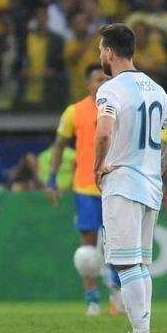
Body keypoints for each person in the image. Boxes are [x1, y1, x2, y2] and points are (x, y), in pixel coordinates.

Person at [93, 22, 167, 333]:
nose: (100, 56)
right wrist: (158, 166)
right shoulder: (154, 87)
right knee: (139, 262)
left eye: (100, 50)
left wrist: (97, 166)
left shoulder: (110, 90)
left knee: (125, 262)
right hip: (150, 186)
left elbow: (104, 132)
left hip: (123, 183)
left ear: (109, 52)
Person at [46, 63, 124, 316]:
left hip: (115, 186)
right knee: (87, 249)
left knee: (116, 246)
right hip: (86, 189)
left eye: (106, 79)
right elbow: (59, 145)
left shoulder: (120, 108)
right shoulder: (74, 111)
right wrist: (52, 178)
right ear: (88, 84)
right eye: (98, 79)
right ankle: (92, 298)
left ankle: (116, 295)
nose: (103, 83)